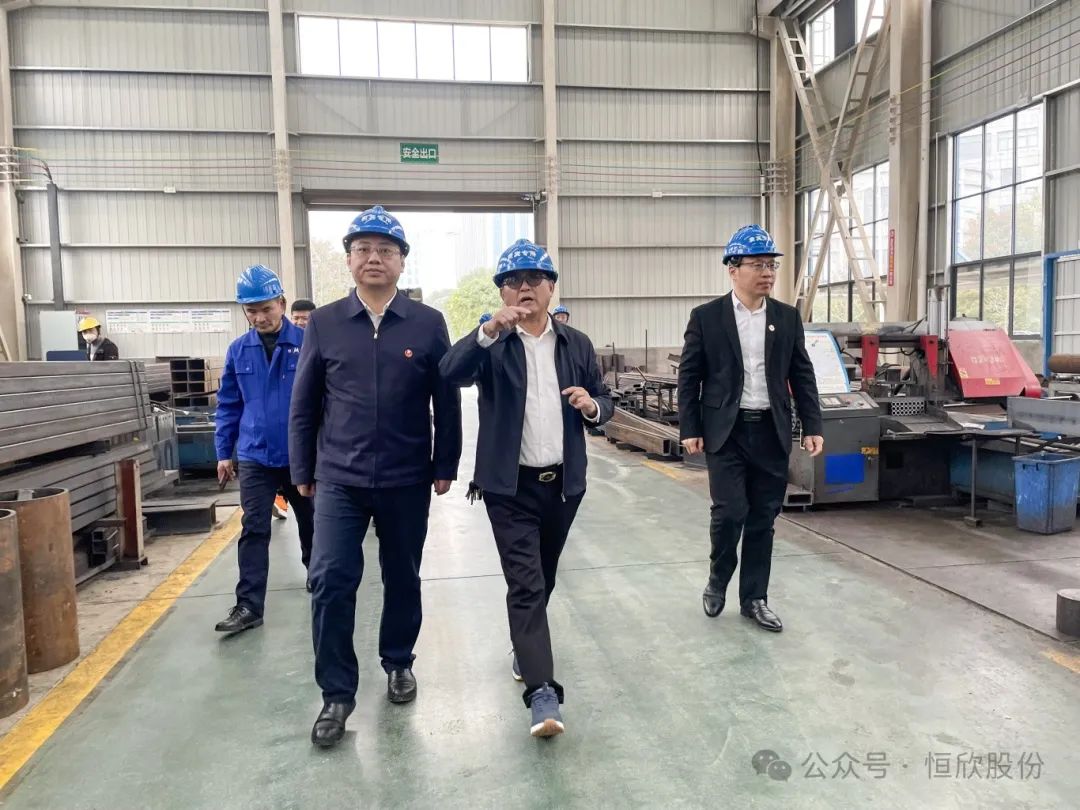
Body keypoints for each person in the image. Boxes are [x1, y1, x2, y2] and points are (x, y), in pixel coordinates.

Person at [290, 205, 462, 749]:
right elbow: (304, 403)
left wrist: (445, 463)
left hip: (406, 475)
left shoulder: (427, 323)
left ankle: (398, 661)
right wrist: (302, 469)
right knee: (329, 579)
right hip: (338, 477)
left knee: (402, 575)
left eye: (385, 250)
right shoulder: (324, 323)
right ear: (349, 259)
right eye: (363, 249)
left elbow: (446, 399)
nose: (373, 258)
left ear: (402, 261)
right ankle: (336, 694)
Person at [440, 238, 613, 739]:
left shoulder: (576, 344)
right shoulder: (492, 345)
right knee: (527, 584)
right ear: (502, 292)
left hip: (562, 487)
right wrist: (487, 331)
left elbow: (605, 400)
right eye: (513, 281)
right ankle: (542, 693)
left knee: (544, 576)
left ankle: (525, 643)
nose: (524, 287)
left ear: (551, 287)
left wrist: (591, 407)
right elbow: (449, 372)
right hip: (508, 489)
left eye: (534, 278)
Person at [677, 225, 823, 632]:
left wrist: (812, 423)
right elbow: (690, 377)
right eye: (758, 265)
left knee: (763, 517)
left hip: (771, 431)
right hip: (728, 431)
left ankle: (754, 599)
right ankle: (718, 578)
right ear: (733, 269)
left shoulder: (786, 318)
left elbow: (801, 373)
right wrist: (690, 427)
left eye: (771, 265)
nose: (767, 273)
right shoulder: (707, 318)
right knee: (729, 512)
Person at [213, 265, 315, 634]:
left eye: (266, 309)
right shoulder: (239, 350)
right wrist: (224, 452)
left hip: (301, 455)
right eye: (251, 311)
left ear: (282, 304)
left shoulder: (308, 344)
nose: (259, 317)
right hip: (255, 455)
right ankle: (248, 605)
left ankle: (319, 577)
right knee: (254, 528)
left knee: (313, 522)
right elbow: (228, 405)